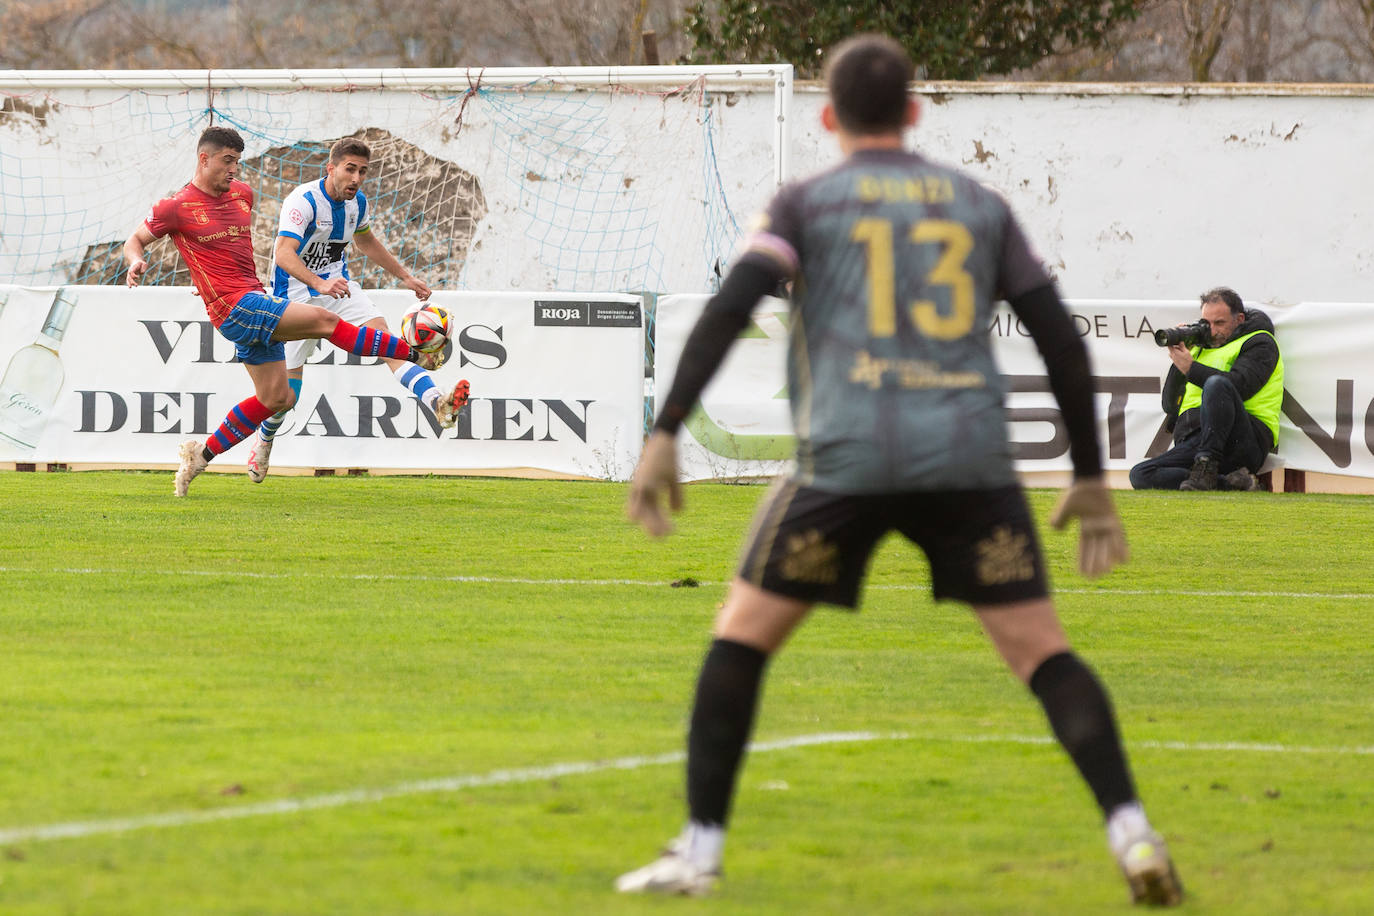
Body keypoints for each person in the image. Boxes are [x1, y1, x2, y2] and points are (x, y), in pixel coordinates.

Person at [617, 34, 1182, 907]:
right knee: (1043, 653)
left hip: (845, 461)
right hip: (968, 462)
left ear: (829, 116)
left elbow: (735, 304)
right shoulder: (977, 203)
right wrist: (1091, 474)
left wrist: (665, 429)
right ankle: (1134, 834)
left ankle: (698, 854)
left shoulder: (806, 201)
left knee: (740, 637)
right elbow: (1060, 337)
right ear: (915, 112)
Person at [122, 125, 456, 497]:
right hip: (234, 306)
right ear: (204, 159)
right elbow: (134, 240)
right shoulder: (176, 206)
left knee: (277, 398)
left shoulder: (242, 195)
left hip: (254, 300)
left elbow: (361, 240)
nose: (235, 169)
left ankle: (199, 455)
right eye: (227, 161)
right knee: (325, 321)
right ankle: (416, 354)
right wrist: (135, 261)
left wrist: (403, 276)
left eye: (237, 161)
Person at [244, 136, 470, 484]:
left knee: (388, 343)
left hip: (340, 290)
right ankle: (265, 440)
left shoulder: (357, 204)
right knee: (284, 398)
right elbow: (283, 254)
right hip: (294, 300)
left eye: (363, 171)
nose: (357, 178)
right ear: (331, 168)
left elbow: (366, 242)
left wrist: (405, 277)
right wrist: (318, 284)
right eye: (350, 169)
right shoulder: (302, 201)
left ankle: (437, 402)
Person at [1129, 287, 1282, 492]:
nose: (1211, 330)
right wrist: (1179, 360)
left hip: (1243, 441)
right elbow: (1170, 405)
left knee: (1216, 384)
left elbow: (1240, 386)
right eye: (1206, 323)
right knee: (1140, 475)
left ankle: (1207, 465)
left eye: (1219, 323)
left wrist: (1191, 368)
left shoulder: (1260, 342)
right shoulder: (1200, 348)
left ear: (1239, 319)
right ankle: (1230, 483)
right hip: (1196, 439)